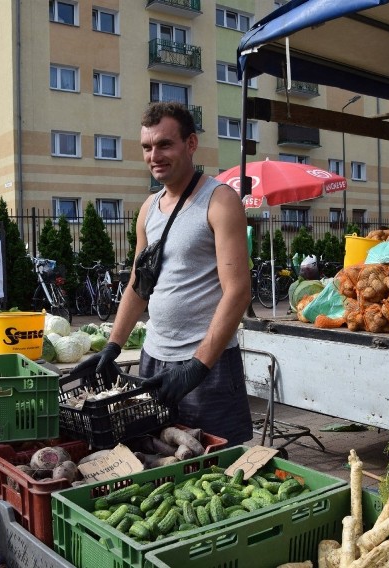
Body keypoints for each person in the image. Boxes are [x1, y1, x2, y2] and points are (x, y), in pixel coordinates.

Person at [78, 102, 253, 446]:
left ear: (190, 144)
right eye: (147, 147)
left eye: (164, 144)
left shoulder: (219, 201)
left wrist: (198, 366)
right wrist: (112, 346)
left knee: (215, 464)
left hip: (207, 366)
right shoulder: (148, 209)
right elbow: (138, 285)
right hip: (153, 361)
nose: (154, 155)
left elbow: (238, 292)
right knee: (157, 454)